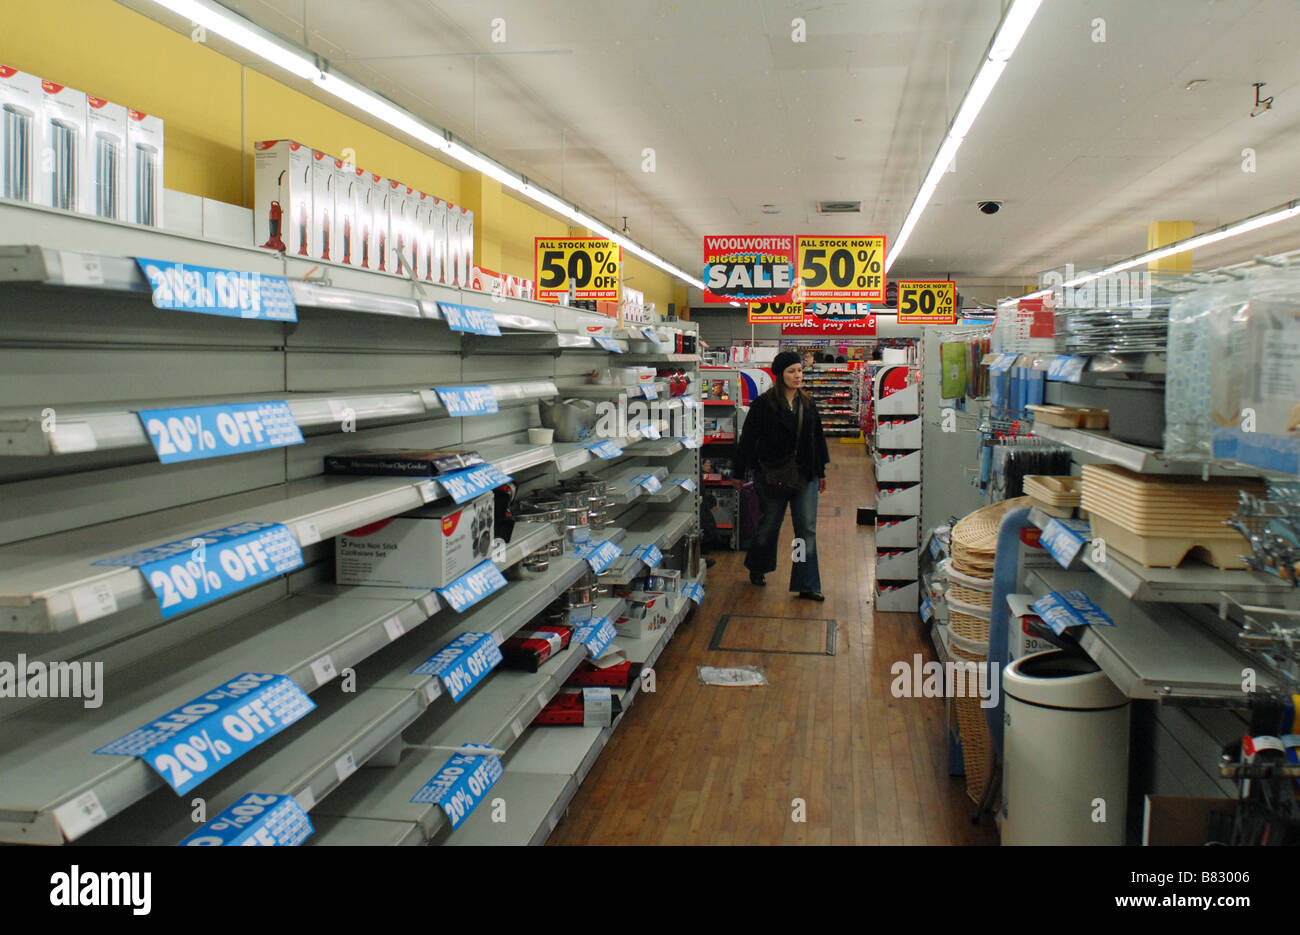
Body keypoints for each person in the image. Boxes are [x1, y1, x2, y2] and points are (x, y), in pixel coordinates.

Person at [732, 351, 830, 601]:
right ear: (779, 375)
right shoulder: (763, 404)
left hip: (804, 474)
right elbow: (748, 440)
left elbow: (817, 439)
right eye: (791, 371)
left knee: (805, 530)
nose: (797, 375)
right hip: (771, 474)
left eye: (799, 370)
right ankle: (758, 565)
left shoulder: (807, 403)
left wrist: (821, 471)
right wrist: (738, 472)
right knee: (769, 526)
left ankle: (805, 582)